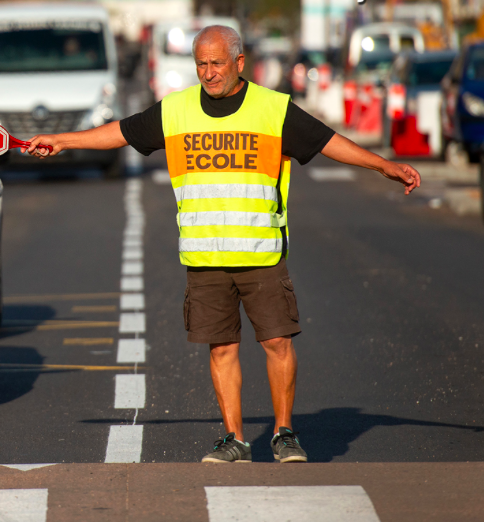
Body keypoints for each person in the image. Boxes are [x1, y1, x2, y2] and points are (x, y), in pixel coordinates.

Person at [26, 26, 421, 464]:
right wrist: (63, 141)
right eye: (201, 64)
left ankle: (284, 434)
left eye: (216, 63)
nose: (208, 73)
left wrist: (382, 165)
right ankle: (234, 439)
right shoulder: (175, 111)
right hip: (206, 257)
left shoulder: (273, 110)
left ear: (239, 62)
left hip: (261, 254)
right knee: (222, 348)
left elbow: (328, 142)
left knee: (277, 343)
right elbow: (120, 132)